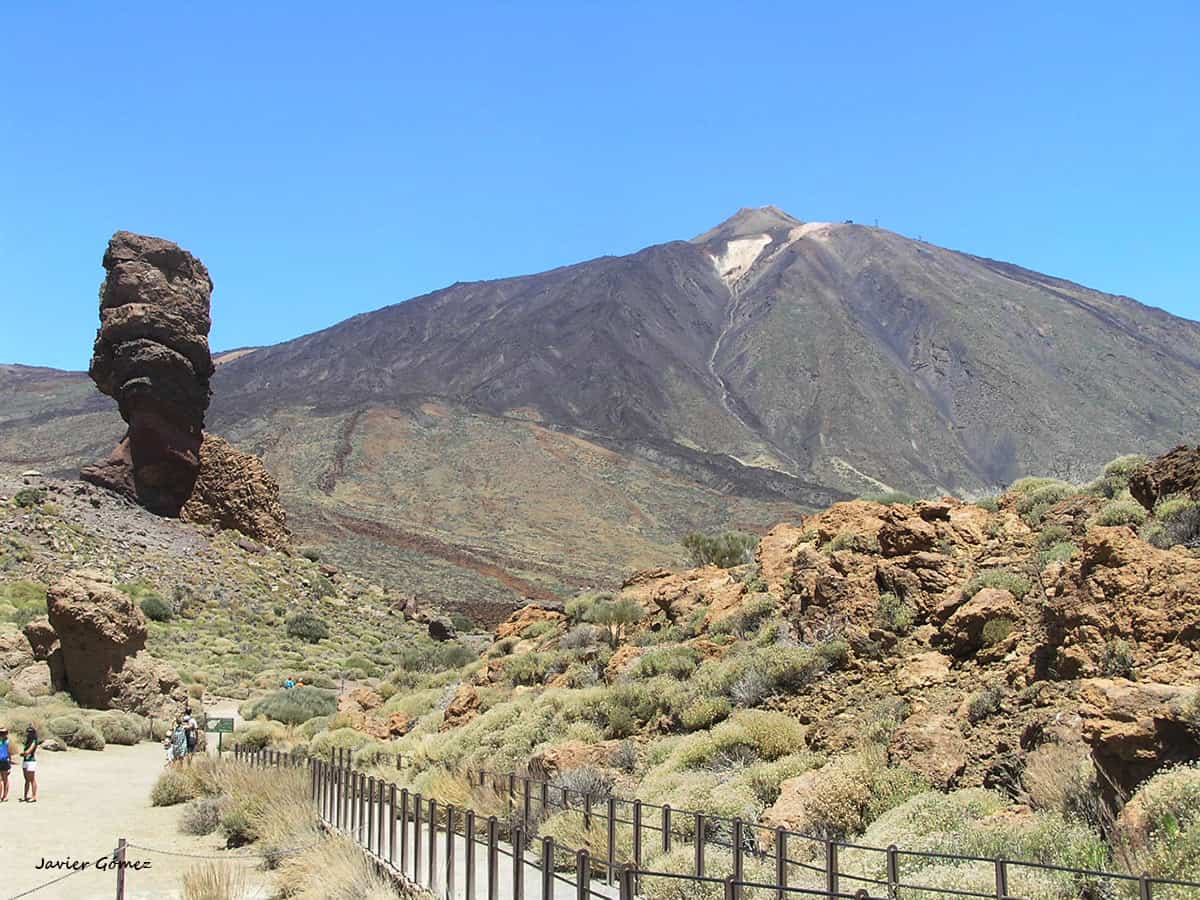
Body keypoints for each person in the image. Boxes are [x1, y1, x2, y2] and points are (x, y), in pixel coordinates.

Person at [19, 725, 38, 802]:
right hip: (25, 761)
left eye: (30, 732)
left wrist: (24, 753)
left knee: (32, 779)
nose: (29, 734)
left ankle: (34, 796)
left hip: (31, 761)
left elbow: (29, 751)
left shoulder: (34, 741)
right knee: (26, 779)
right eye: (28, 732)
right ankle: (25, 796)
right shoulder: (27, 741)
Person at [0, 725, 11, 802]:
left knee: (5, 779)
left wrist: (10, 763)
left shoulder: (7, 741)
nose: (3, 734)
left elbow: (9, 752)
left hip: (5, 761)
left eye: (4, 733)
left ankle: (5, 796)